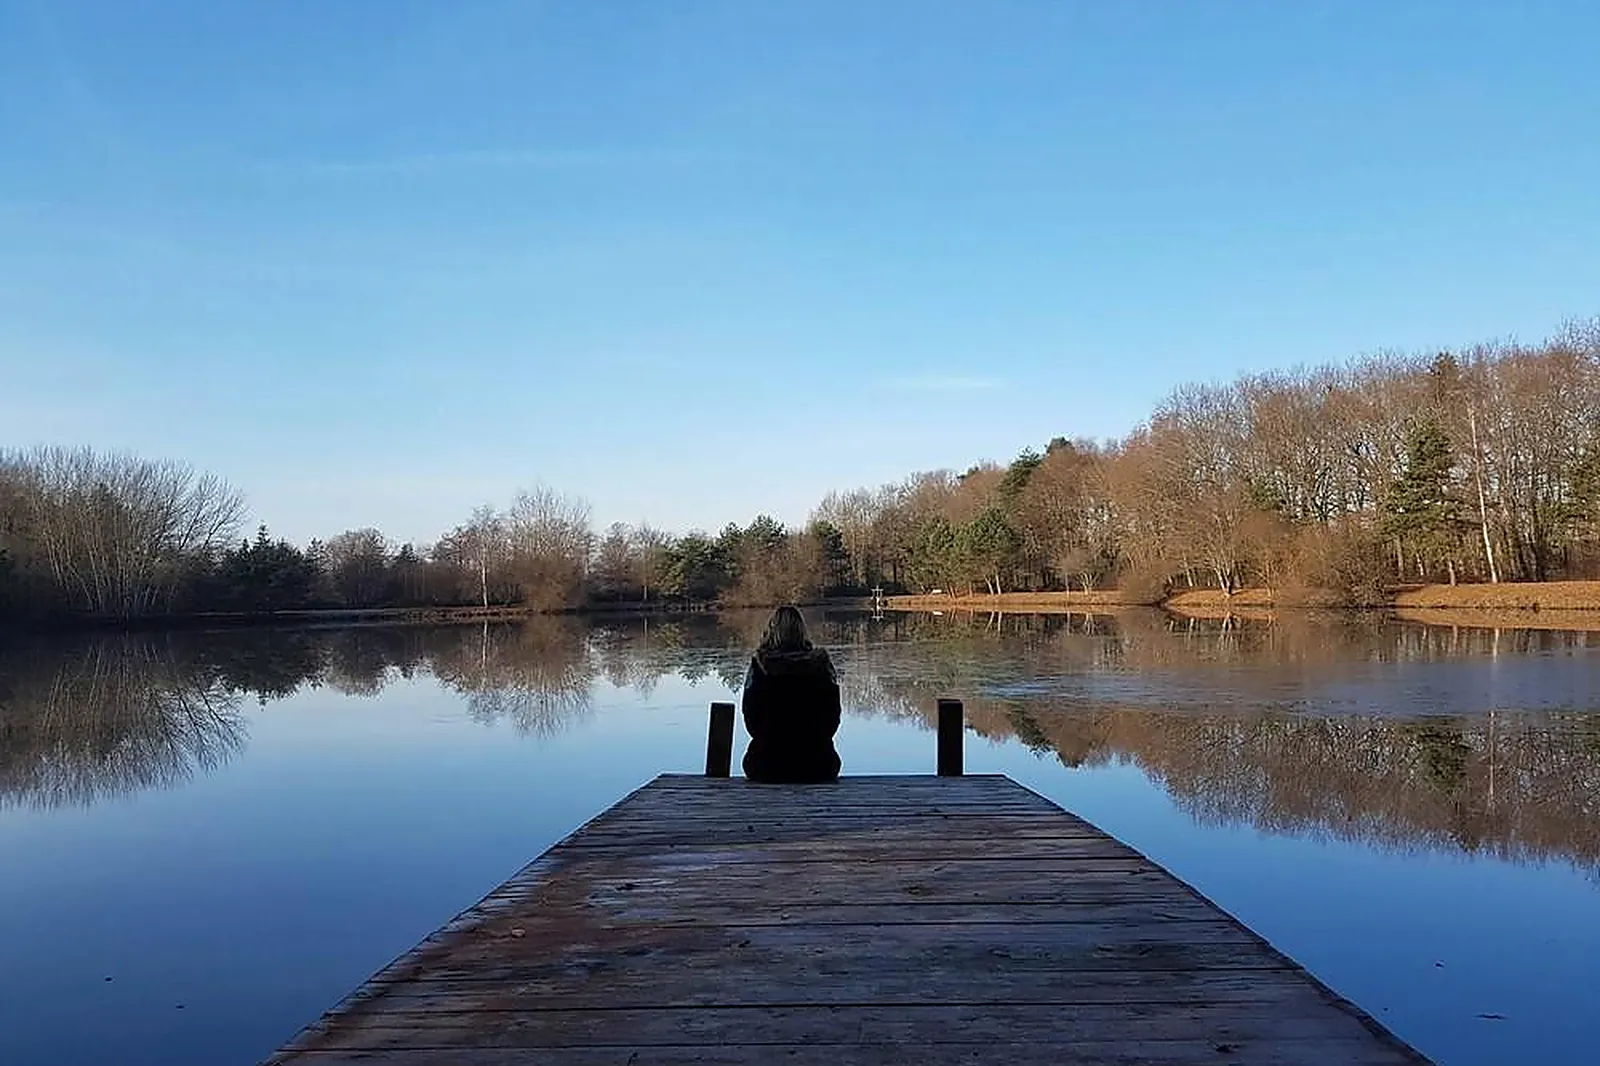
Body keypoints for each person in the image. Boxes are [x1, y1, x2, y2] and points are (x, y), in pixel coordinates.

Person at [740, 605, 842, 783]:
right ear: (803, 631)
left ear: (771, 630)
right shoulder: (821, 665)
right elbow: (833, 718)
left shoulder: (760, 666)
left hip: (765, 765)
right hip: (819, 765)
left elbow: (751, 720)